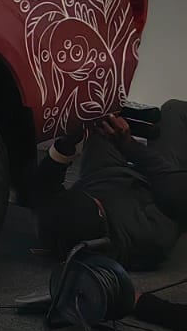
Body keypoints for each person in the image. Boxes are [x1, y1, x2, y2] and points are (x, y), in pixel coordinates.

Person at [29, 104, 187, 271]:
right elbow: (171, 187)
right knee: (174, 110)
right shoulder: (151, 237)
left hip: (102, 173)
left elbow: (43, 187)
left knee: (101, 121)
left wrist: (66, 143)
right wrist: (129, 145)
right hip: (154, 184)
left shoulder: (53, 224)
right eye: (100, 205)